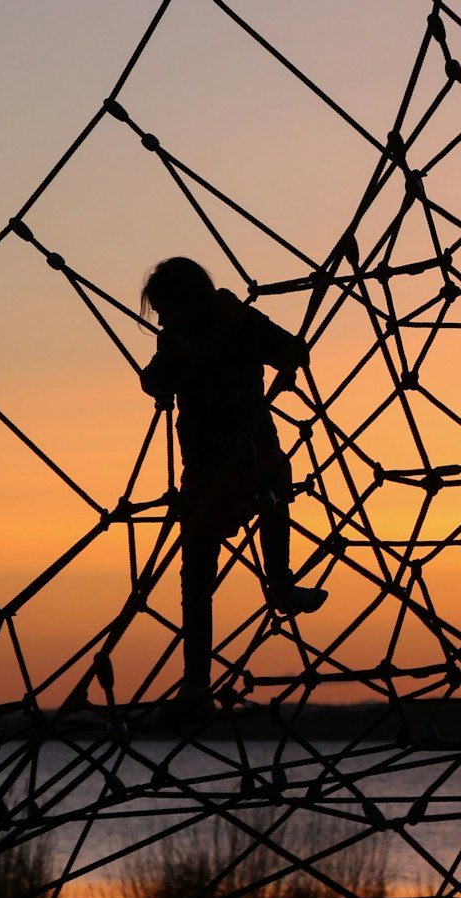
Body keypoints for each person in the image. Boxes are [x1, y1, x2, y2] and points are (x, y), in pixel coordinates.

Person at [137, 257, 326, 708]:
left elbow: (291, 350)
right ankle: (196, 680)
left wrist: (254, 344)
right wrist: (177, 362)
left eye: (165, 308)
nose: (161, 319)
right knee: (197, 573)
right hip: (205, 465)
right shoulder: (176, 339)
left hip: (249, 448)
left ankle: (279, 582)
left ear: (188, 301)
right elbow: (153, 382)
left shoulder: (237, 320)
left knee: (273, 493)